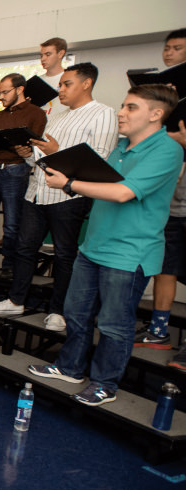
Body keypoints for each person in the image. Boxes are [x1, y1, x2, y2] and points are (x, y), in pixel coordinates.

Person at [28, 84, 182, 406]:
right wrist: (69, 175)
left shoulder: (168, 150)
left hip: (129, 252)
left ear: (156, 114)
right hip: (94, 245)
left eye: (131, 107)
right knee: (76, 312)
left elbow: (124, 192)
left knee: (114, 324)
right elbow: (101, 183)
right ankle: (70, 368)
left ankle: (104, 384)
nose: (121, 113)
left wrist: (69, 183)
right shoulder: (121, 146)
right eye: (122, 106)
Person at [0, 63, 118, 332]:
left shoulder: (103, 114)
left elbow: (98, 161)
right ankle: (15, 299)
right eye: (61, 84)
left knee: (64, 255)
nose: (60, 89)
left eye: (67, 84)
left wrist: (57, 150)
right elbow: (40, 159)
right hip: (37, 191)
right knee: (24, 248)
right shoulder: (56, 117)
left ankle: (58, 311)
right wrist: (27, 154)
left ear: (87, 83)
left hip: (69, 195)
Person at [137, 28, 186, 351]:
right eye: (166, 48)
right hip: (173, 202)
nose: (169, 52)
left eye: (177, 48)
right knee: (164, 266)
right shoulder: (166, 105)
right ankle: (159, 329)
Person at [0, 73, 48, 277]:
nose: (1, 97)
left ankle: (9, 265)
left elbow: (36, 146)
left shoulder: (36, 114)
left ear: (20, 89)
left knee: (12, 222)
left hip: (15, 170)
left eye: (5, 92)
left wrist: (22, 147)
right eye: (0, 93)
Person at [39, 38, 69, 117]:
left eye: (48, 54)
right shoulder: (37, 81)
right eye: (41, 55)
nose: (43, 59)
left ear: (60, 54)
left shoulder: (70, 80)